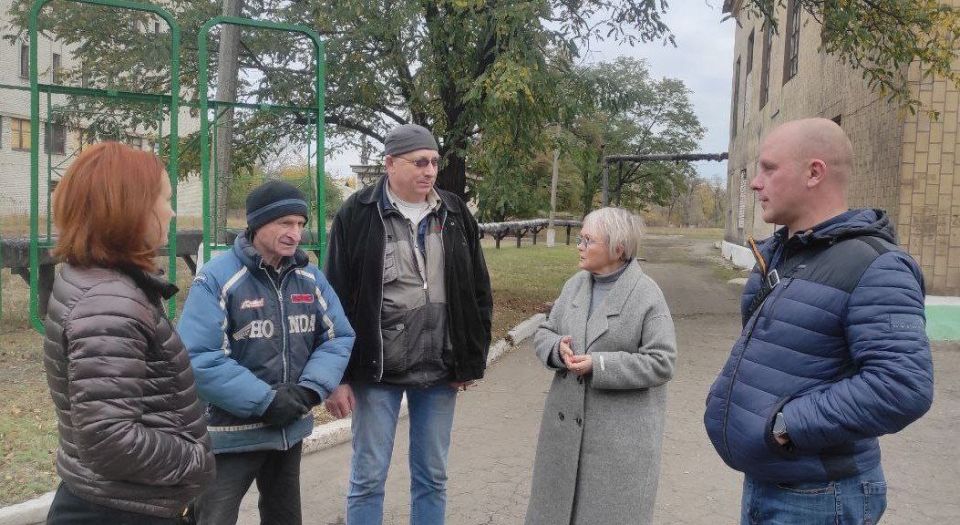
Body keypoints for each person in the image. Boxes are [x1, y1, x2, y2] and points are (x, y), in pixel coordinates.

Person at [704, 118, 935, 524]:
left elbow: (903, 386)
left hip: (821, 496)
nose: (756, 183)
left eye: (769, 169)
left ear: (814, 172)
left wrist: (787, 425)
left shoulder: (876, 266)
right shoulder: (780, 253)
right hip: (768, 480)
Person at [323, 123, 492, 524]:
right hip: (375, 371)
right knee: (368, 477)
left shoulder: (452, 210)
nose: (429, 170)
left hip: (440, 369)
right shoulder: (357, 214)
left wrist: (469, 358)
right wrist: (338, 376)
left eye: (434, 161)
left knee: (432, 476)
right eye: (419, 162)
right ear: (390, 164)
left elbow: (477, 290)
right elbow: (333, 299)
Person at [43, 142, 215, 524]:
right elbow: (109, 440)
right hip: (121, 511)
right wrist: (195, 458)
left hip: (112, 500)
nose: (171, 211)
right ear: (128, 208)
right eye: (164, 199)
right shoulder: (110, 299)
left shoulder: (97, 280)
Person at [177, 180, 355, 525]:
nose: (295, 234)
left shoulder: (310, 277)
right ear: (257, 224)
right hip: (229, 437)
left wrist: (308, 390)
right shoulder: (217, 279)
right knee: (213, 518)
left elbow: (337, 336)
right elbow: (198, 357)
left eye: (301, 225)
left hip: (288, 430)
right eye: (285, 223)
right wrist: (266, 401)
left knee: (285, 518)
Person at [524, 207, 677, 525]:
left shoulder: (647, 295)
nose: (578, 245)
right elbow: (544, 332)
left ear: (617, 248)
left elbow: (662, 362)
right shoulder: (575, 285)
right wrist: (555, 348)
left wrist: (601, 364)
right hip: (565, 437)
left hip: (617, 445)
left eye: (587, 240)